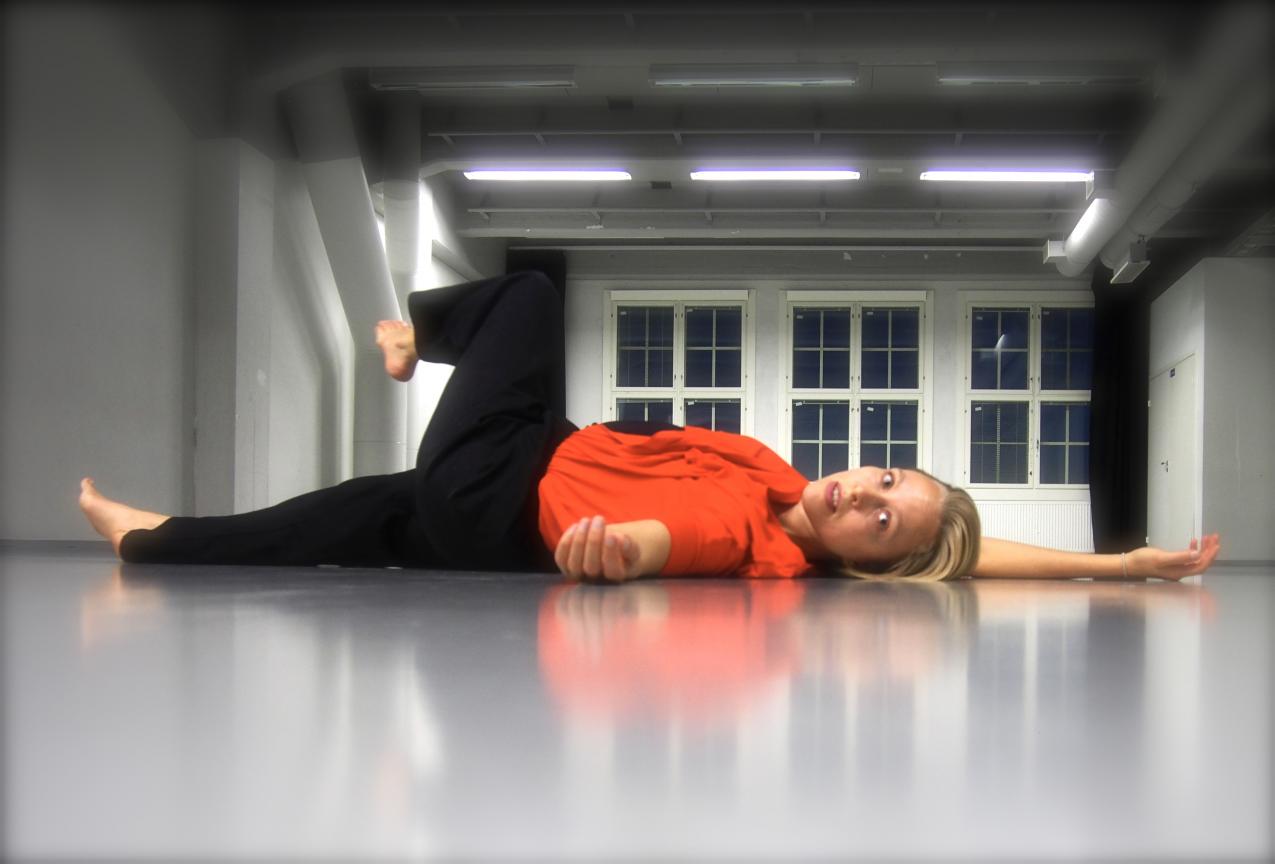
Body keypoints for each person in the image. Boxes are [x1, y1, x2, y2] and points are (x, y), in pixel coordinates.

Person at [79, 271, 1221, 584]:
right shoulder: (780, 473)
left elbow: (684, 541)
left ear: (876, 567)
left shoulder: (756, 538)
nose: (861, 495)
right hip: (511, 502)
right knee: (326, 521)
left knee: (524, 300)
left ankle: (411, 334)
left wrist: (623, 555)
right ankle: (152, 538)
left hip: (506, 495)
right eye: (881, 475)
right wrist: (1117, 563)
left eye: (880, 522)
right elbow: (970, 554)